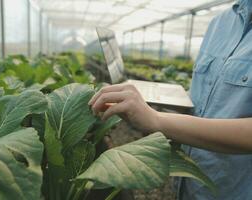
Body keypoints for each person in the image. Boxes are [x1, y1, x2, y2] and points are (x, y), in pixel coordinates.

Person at [88, 0, 252, 199]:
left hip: (231, 190)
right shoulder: (221, 22)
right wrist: (166, 106)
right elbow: (204, 101)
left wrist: (157, 120)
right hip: (188, 184)